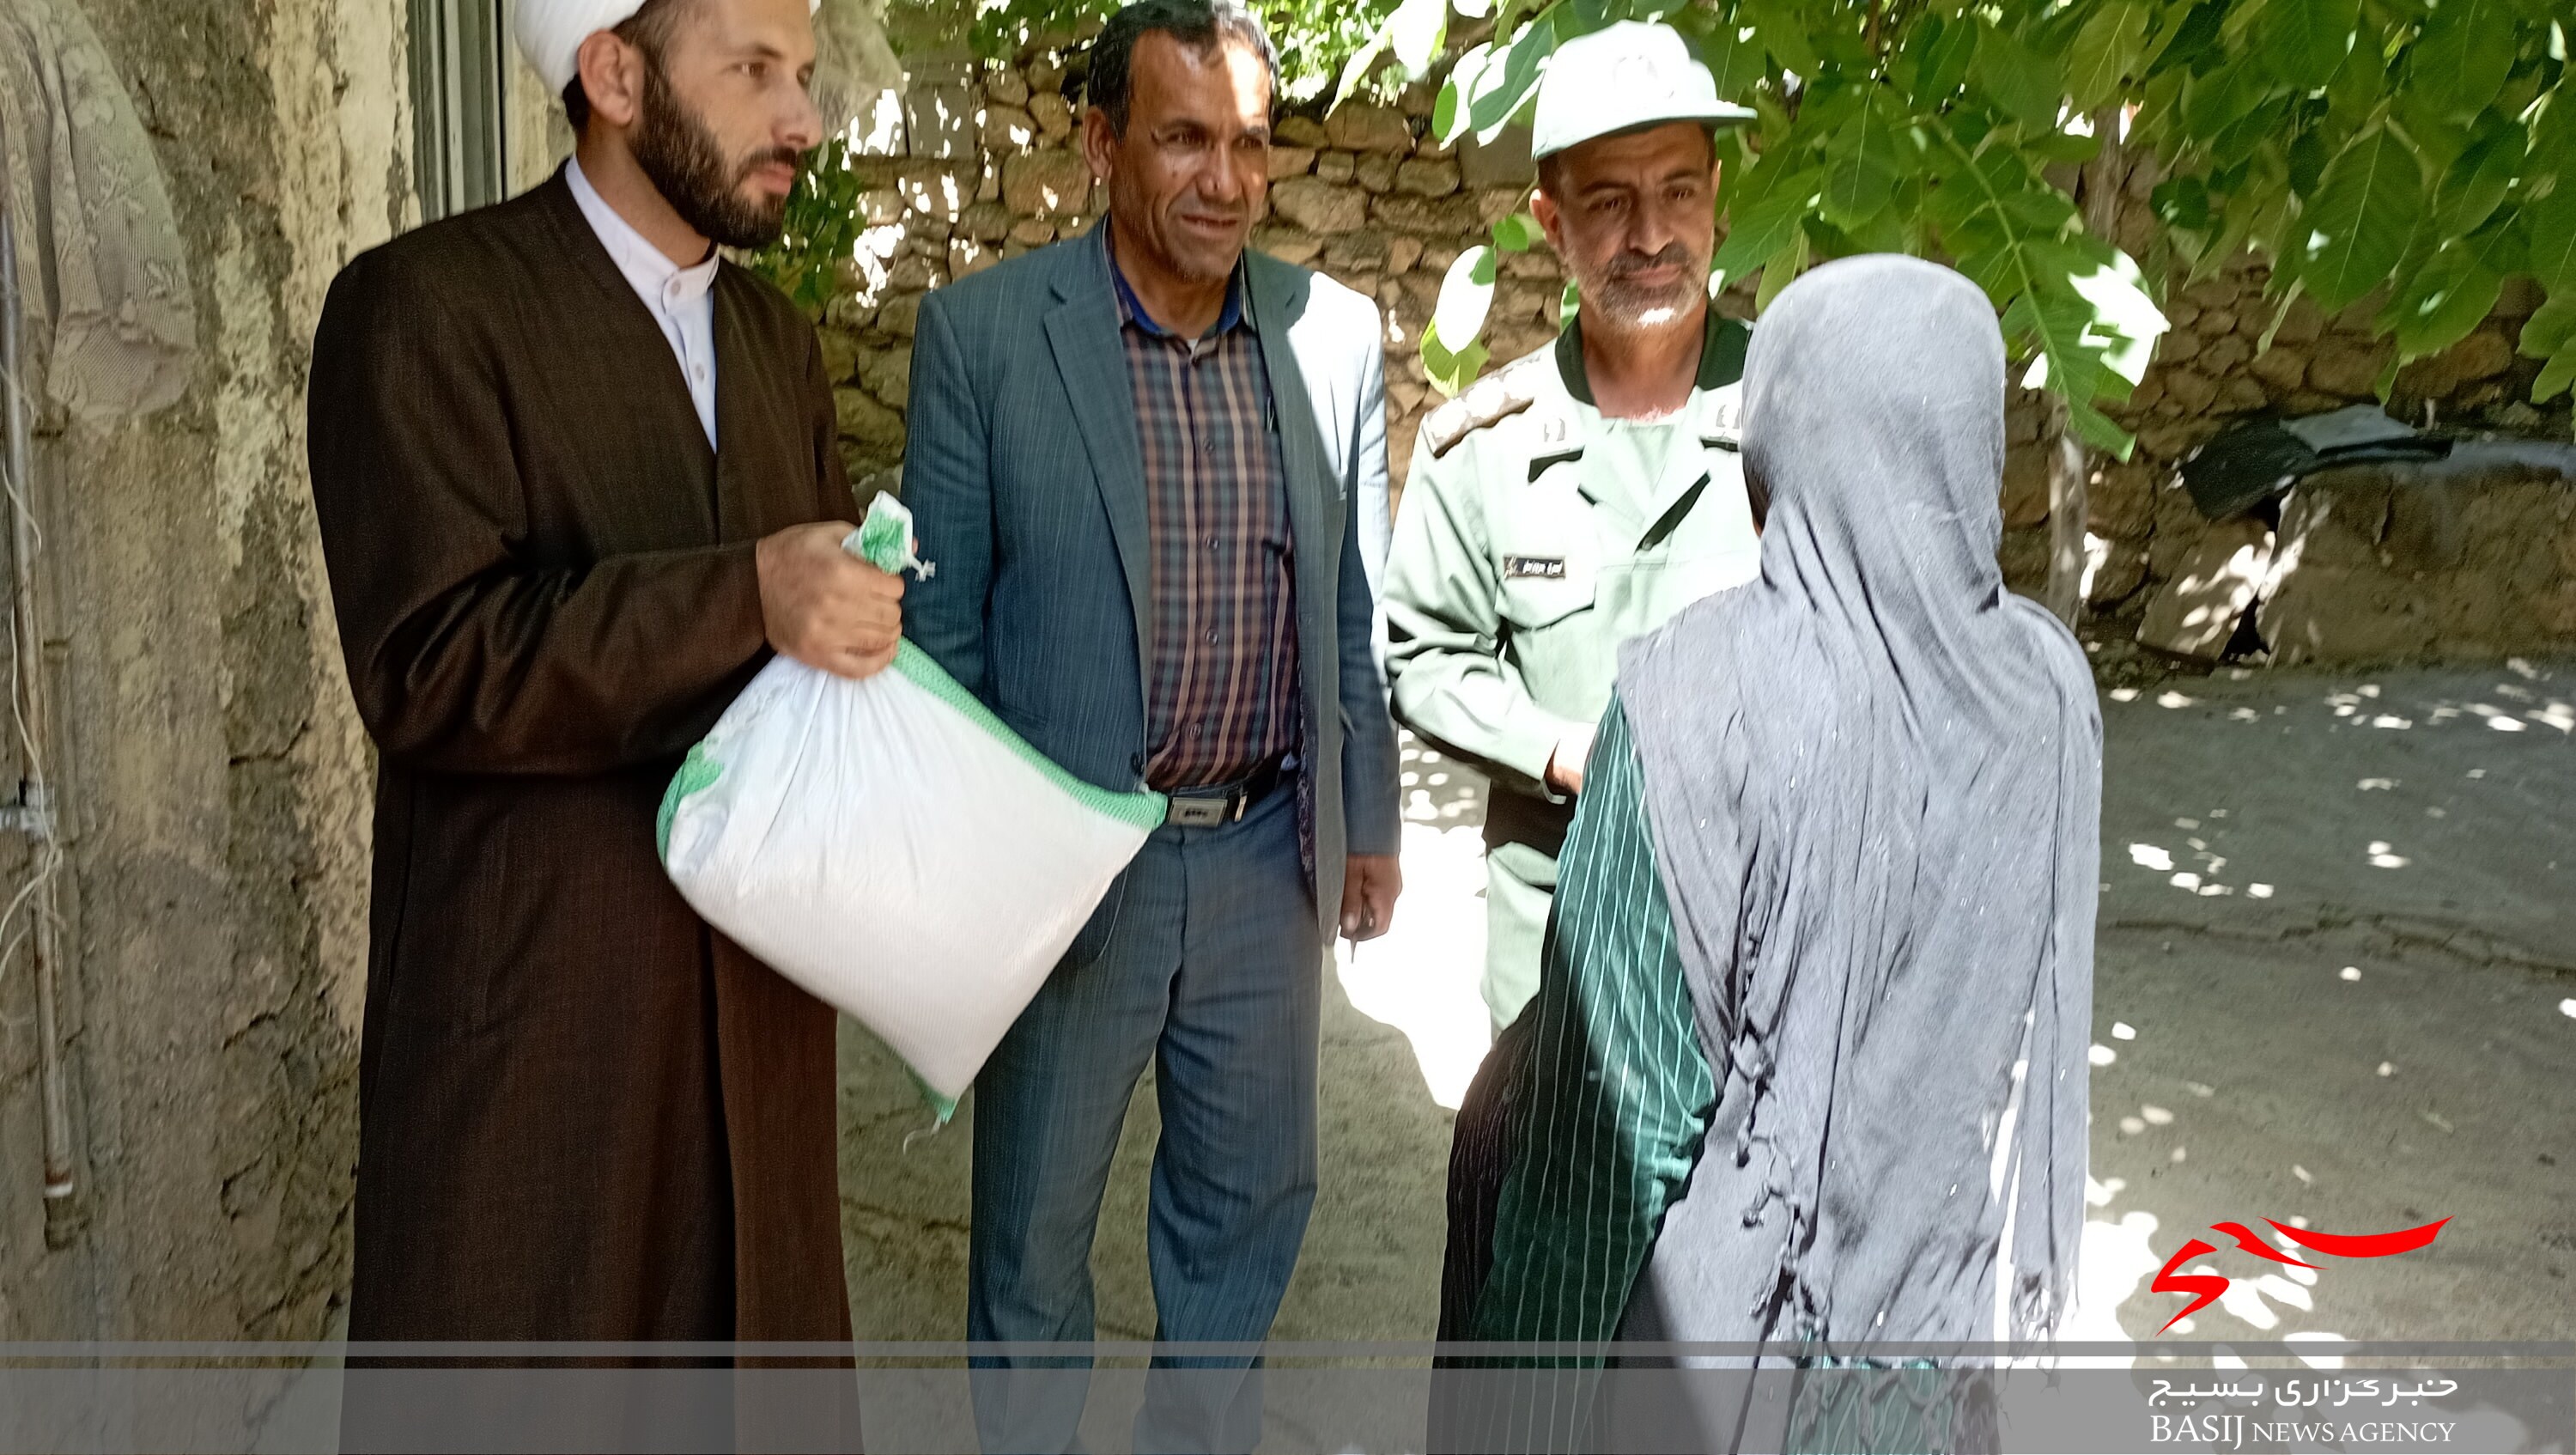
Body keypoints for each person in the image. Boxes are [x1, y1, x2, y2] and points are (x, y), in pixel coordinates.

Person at [307, 0, 893, 1373]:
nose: (800, 118)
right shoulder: (426, 308)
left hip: (757, 1026)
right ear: (614, 73)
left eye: (801, 77)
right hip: (544, 1032)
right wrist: (745, 592)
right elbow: (428, 664)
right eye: (753, 72)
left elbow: (807, 669)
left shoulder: (773, 343)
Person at [1463, 256, 2100, 1452]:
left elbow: (1600, 1156)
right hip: (1927, 1347)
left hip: (1717, 1377)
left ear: (1773, 449)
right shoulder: (2045, 688)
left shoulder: (1700, 702)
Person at [896, 1, 1403, 1448]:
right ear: (1101, 141)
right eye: (1185, 138)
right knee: (1034, 1245)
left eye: (1251, 143)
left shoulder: (1334, 336)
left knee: (1245, 1219)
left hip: (1261, 854)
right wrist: (977, 884)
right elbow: (942, 639)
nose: (1228, 181)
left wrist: (1365, 820)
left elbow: (1351, 609)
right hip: (1067, 869)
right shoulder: (987, 338)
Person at [1382, 19, 1760, 1043]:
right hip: (1563, 953)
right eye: (1610, 202)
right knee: (1548, 1199)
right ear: (1552, 222)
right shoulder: (1484, 450)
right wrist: (1561, 750)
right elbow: (1419, 657)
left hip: (1767, 938)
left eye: (1679, 190)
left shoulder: (1798, 413)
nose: (1651, 234)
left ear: (1717, 197)